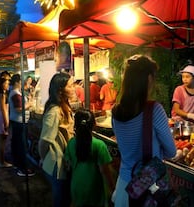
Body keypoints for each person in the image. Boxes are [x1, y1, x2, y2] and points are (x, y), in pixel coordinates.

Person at [111, 55, 176, 206]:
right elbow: (171, 152)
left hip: (124, 187)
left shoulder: (115, 112)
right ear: (148, 78)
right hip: (147, 189)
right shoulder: (154, 110)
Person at [64, 109, 115, 207]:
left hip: (76, 186)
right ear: (94, 125)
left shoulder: (71, 143)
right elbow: (105, 171)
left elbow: (68, 165)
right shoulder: (99, 145)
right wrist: (112, 189)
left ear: (75, 126)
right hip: (94, 190)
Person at [38, 72, 75, 207]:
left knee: (64, 197)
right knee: (61, 200)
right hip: (57, 164)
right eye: (70, 86)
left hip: (64, 161)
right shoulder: (54, 111)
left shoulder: (63, 107)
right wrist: (43, 158)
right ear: (60, 90)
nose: (73, 88)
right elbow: (44, 141)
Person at [9, 74, 35, 177]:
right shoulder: (15, 93)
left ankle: (17, 163)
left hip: (17, 121)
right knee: (21, 145)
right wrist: (29, 104)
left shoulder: (16, 93)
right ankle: (23, 168)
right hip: (19, 122)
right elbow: (18, 109)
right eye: (21, 81)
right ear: (16, 82)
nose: (22, 83)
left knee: (17, 144)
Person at [0, 76, 12, 168]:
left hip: (1, 118)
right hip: (2, 118)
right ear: (2, 84)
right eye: (7, 83)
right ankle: (1, 161)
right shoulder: (2, 95)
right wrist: (6, 122)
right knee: (2, 141)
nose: (8, 84)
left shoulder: (1, 94)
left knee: (1, 140)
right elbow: (4, 110)